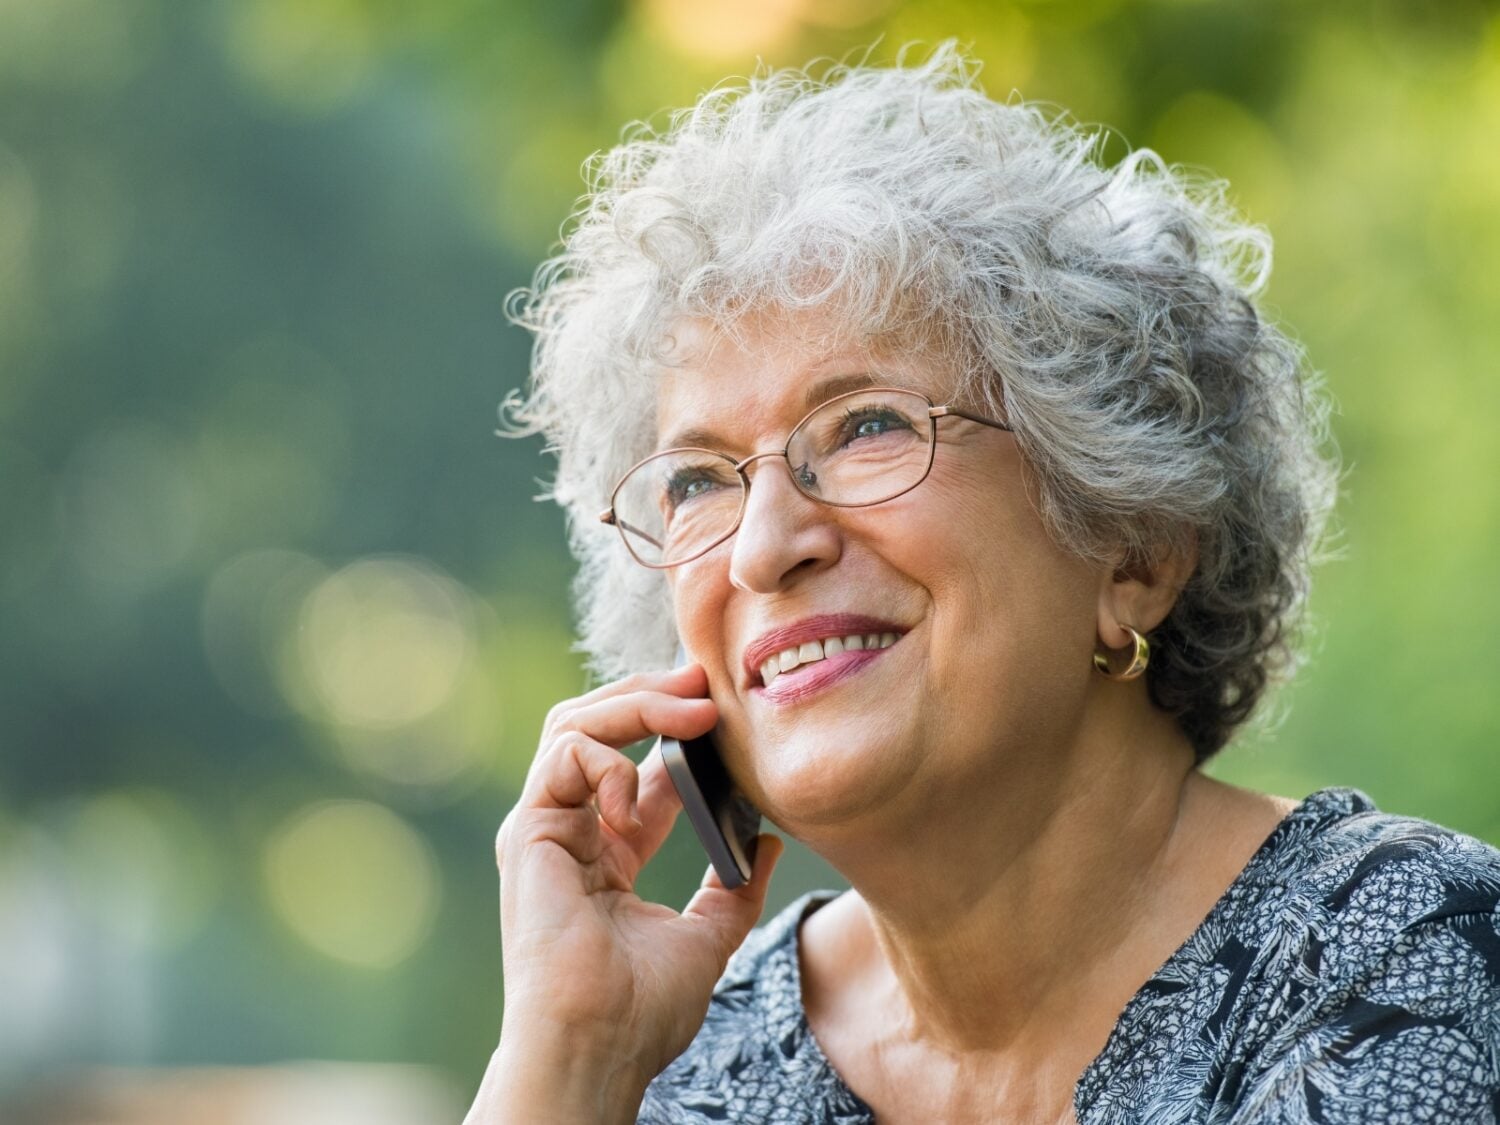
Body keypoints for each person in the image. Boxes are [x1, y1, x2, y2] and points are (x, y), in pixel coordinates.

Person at [465, 45, 1500, 1124]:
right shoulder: (683, 1063)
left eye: (866, 425)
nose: (763, 548)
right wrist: (569, 1059)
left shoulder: (1408, 959)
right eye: (696, 481)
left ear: (1134, 548)